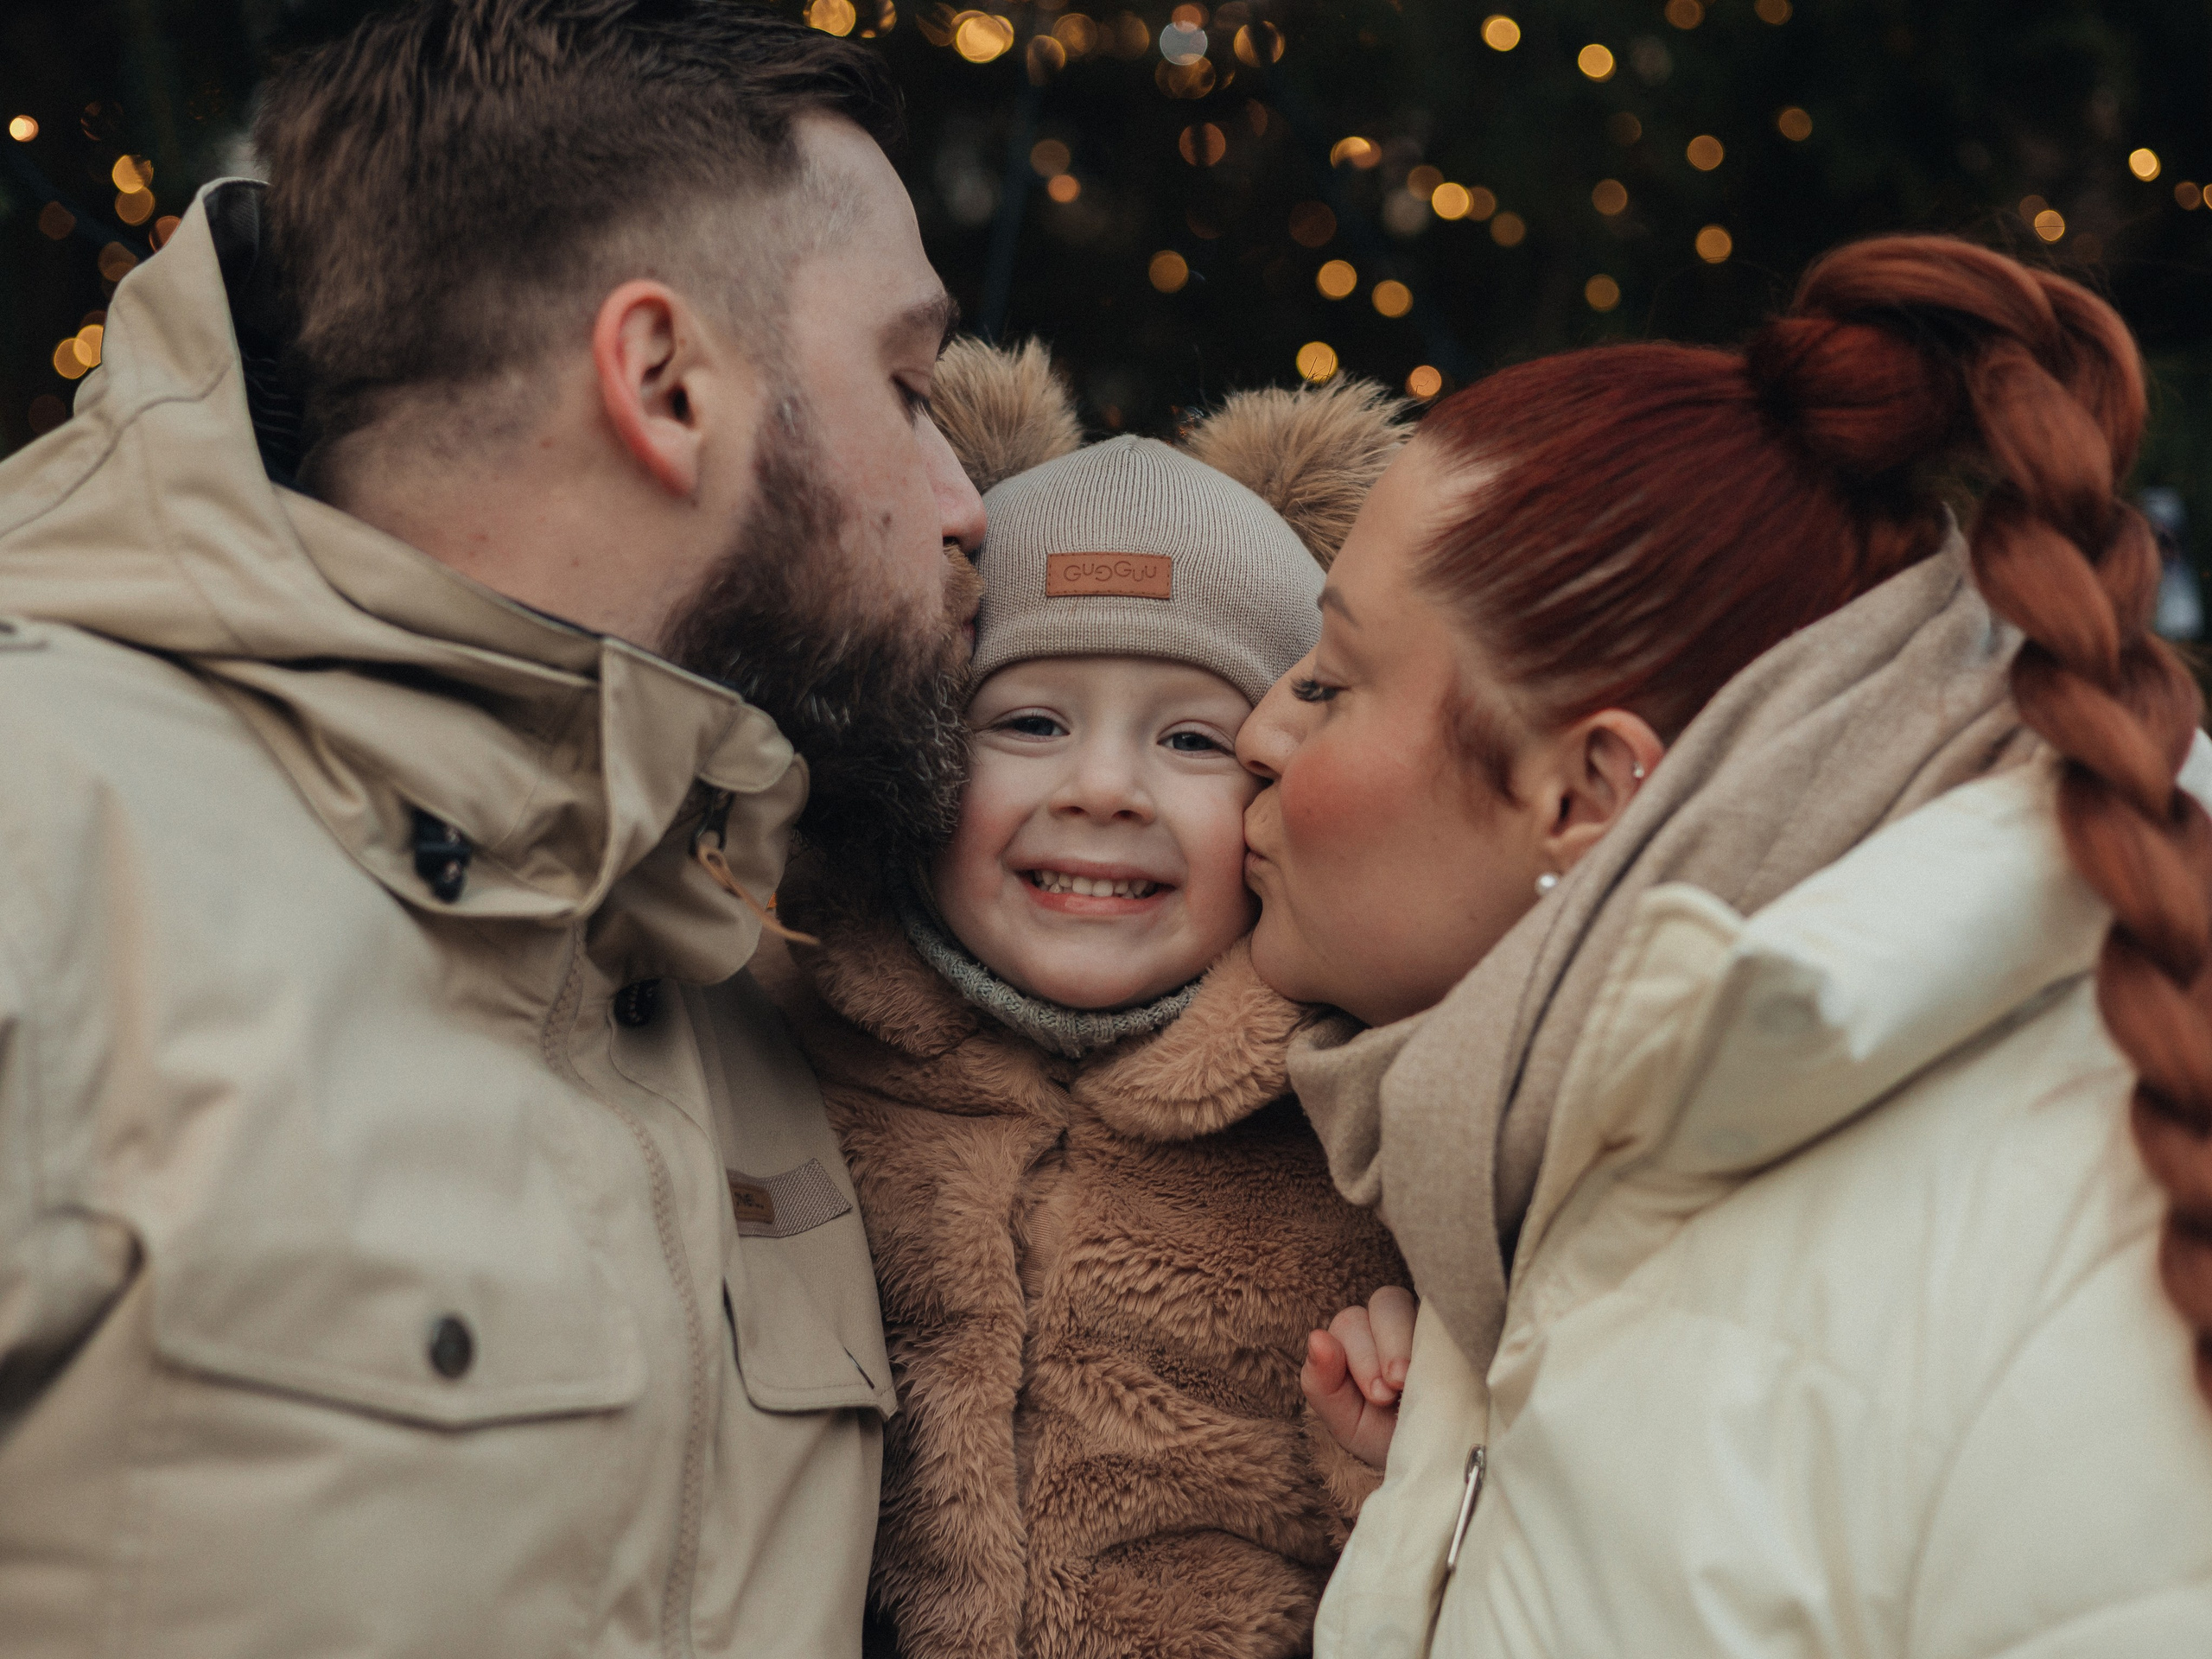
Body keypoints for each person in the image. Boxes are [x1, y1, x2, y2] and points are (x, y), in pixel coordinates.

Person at [0, 4, 986, 1655]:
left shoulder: (755, 990)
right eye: (910, 385)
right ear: (662, 383)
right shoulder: (41, 838)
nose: (967, 506)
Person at [1235, 236, 2212, 1655]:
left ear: (1586, 795)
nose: (1259, 732)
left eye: (1330, 680)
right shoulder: (1539, 1132)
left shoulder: (2070, 1261)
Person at [754, 340, 1409, 1658]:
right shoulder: (776, 1057)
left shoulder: (1361, 1137)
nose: (1104, 789)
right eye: (1031, 724)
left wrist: (1398, 1463)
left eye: (1193, 740)